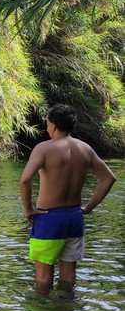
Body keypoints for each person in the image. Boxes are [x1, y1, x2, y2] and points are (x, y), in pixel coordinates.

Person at [19, 104, 116, 296]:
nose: (46, 127)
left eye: (47, 123)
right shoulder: (85, 149)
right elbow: (108, 178)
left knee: (43, 276)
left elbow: (24, 180)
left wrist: (28, 209)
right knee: (69, 276)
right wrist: (87, 208)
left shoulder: (44, 149)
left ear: (53, 125)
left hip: (49, 217)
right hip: (74, 217)